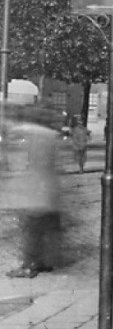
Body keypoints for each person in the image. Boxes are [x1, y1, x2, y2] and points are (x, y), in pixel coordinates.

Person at [4, 106, 63, 278]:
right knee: (43, 228)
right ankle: (43, 262)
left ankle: (29, 265)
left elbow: (22, 163)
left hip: (32, 191)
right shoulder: (50, 134)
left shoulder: (26, 133)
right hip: (49, 190)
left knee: (29, 229)